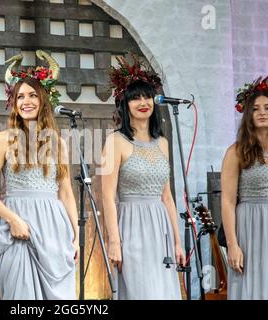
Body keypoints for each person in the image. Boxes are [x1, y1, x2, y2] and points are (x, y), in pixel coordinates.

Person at [0, 51, 78, 300]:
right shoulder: (3, 140)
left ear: (44, 99)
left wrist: (75, 237)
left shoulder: (58, 144)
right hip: (18, 229)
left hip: (54, 229)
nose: (26, 101)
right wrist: (12, 220)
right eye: (20, 96)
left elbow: (65, 192)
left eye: (32, 95)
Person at [101, 54, 185, 299]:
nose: (142, 102)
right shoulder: (115, 141)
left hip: (161, 229)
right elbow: (107, 196)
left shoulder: (163, 143)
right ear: (125, 104)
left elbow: (167, 197)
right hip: (132, 226)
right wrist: (114, 241)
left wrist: (178, 242)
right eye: (135, 98)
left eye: (146, 96)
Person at [221, 73, 268, 300]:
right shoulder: (236, 151)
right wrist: (232, 245)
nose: (262, 113)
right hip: (250, 227)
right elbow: (228, 202)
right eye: (256, 108)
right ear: (248, 114)